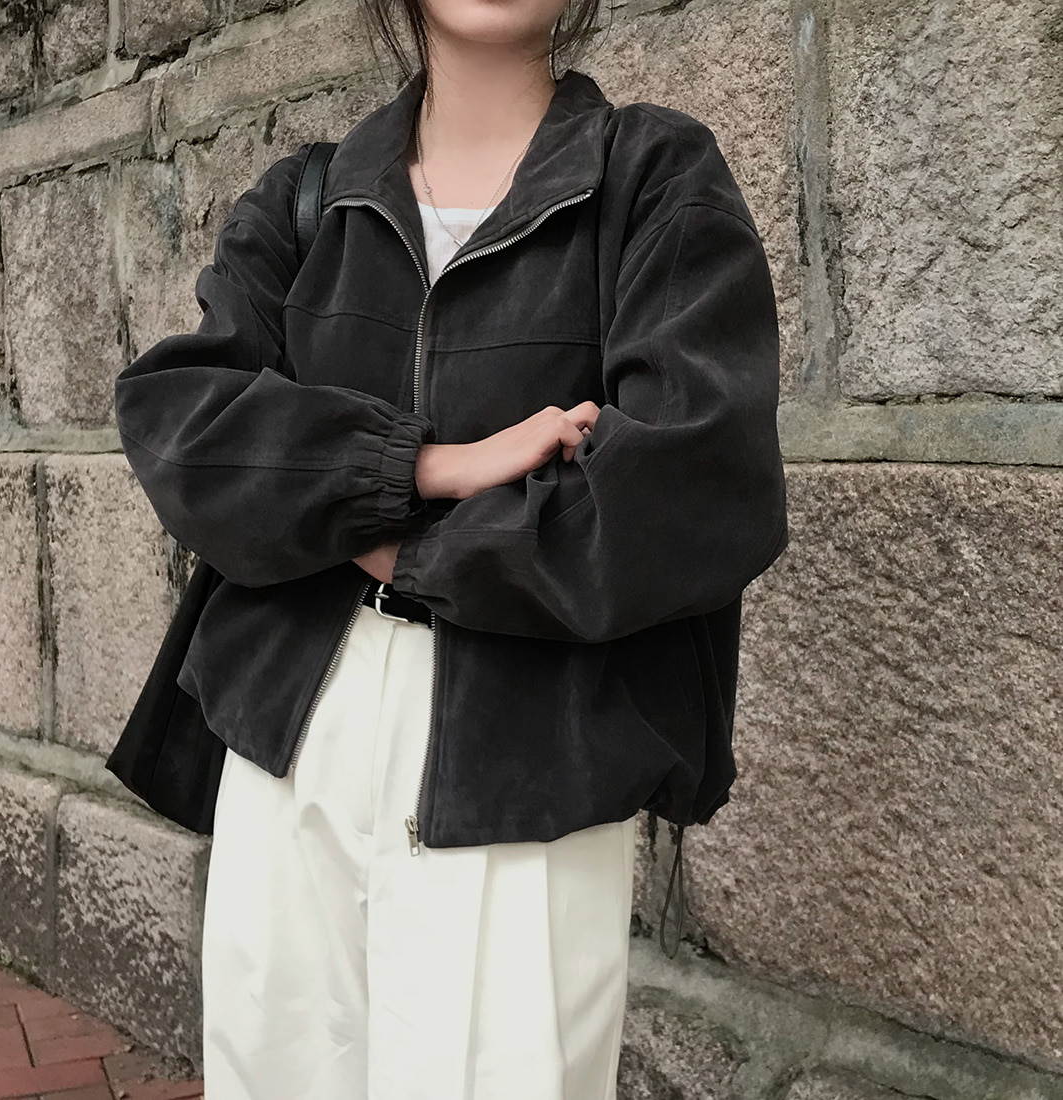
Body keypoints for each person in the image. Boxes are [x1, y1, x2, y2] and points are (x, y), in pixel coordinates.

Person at [112, 0, 789, 1092]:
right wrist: (424, 467)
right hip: (290, 746)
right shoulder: (309, 197)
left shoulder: (651, 181)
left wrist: (406, 552)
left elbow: (693, 487)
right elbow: (179, 424)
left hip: (526, 761)